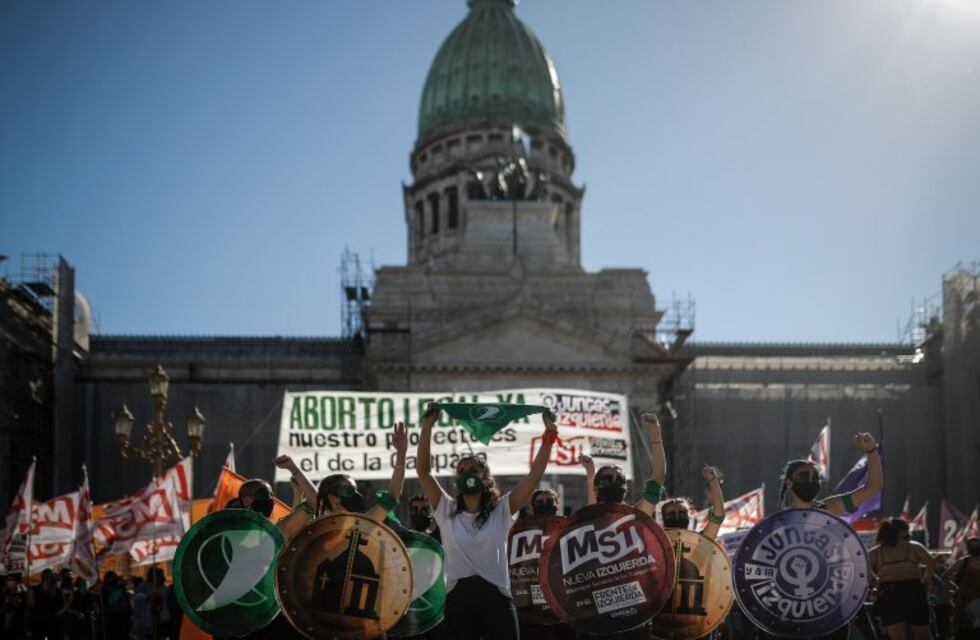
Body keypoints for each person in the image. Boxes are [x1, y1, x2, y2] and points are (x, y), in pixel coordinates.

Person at [416, 402, 558, 640]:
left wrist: (549, 434)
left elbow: (533, 477)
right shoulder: (446, 509)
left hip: (496, 598)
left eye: (473, 469)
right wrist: (427, 426)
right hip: (459, 599)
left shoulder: (502, 509)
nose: (466, 474)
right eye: (461, 471)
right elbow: (423, 472)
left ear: (485, 478)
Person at [315, 421, 408, 520]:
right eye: (349, 491)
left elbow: (392, 496)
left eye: (355, 490)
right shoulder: (317, 531)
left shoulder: (362, 526)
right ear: (333, 499)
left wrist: (401, 453)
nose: (357, 495)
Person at [869, 518, 935, 640]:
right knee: (922, 636)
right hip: (913, 591)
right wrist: (926, 580)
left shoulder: (874, 553)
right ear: (899, 531)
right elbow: (930, 562)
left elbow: (865, 572)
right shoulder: (914, 547)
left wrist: (875, 582)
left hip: (889, 593)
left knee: (897, 636)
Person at [659, 464, 726, 540]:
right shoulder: (656, 543)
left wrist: (713, 480)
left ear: (690, 516)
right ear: (662, 518)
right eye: (671, 514)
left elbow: (718, 516)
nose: (677, 518)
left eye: (682, 513)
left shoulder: (698, 542)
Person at [945, 536, 980, 639]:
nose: (974, 546)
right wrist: (955, 589)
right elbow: (945, 576)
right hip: (964, 602)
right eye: (971, 545)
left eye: (976, 544)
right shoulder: (963, 562)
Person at [2, 574, 28, 639]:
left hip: (19, 628)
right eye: (8, 580)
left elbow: (24, 608)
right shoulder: (3, 594)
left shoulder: (22, 594)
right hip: (6, 628)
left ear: (16, 581)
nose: (9, 582)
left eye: (11, 580)